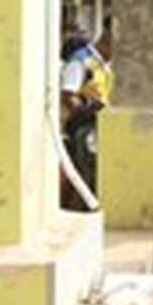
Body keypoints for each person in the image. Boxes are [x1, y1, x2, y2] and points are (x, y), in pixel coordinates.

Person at [59, 16, 114, 209]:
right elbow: (68, 95)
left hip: (102, 128)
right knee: (86, 178)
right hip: (81, 130)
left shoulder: (106, 66)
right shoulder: (82, 61)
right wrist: (86, 110)